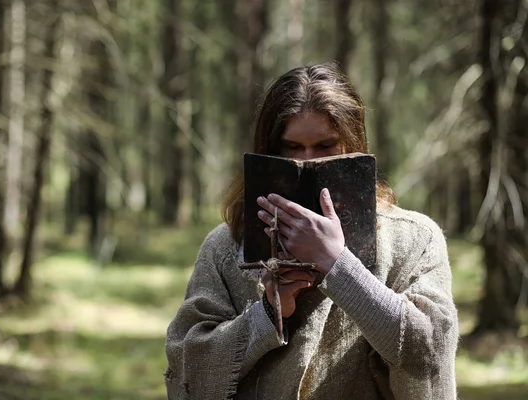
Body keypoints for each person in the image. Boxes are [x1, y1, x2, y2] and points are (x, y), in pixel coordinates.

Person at [164, 63, 458, 400]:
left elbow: (430, 354)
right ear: (270, 152)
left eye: (324, 146)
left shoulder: (414, 239)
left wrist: (339, 265)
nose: (308, 162)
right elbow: (188, 369)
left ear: (351, 145)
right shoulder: (227, 246)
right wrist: (266, 316)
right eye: (292, 148)